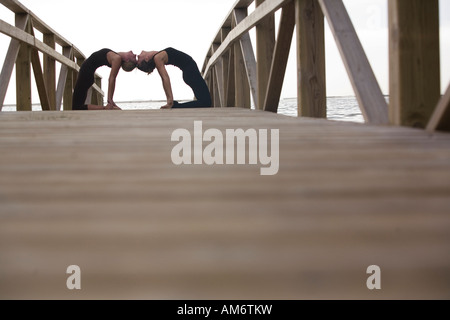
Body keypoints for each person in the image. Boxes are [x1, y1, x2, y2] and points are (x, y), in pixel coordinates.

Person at [137, 47, 211, 109]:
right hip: (190, 73)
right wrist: (170, 101)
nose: (138, 55)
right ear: (146, 59)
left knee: (204, 101)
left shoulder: (157, 56)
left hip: (190, 72)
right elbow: (164, 78)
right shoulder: (157, 58)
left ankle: (176, 106)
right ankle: (176, 106)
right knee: (206, 102)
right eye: (138, 59)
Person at [72, 48, 137, 110]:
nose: (135, 55)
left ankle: (107, 108)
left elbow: (112, 78)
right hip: (86, 75)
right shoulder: (117, 56)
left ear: (127, 60)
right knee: (77, 106)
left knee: (77, 107)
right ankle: (108, 108)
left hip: (86, 75)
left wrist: (110, 99)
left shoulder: (117, 58)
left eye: (134, 58)